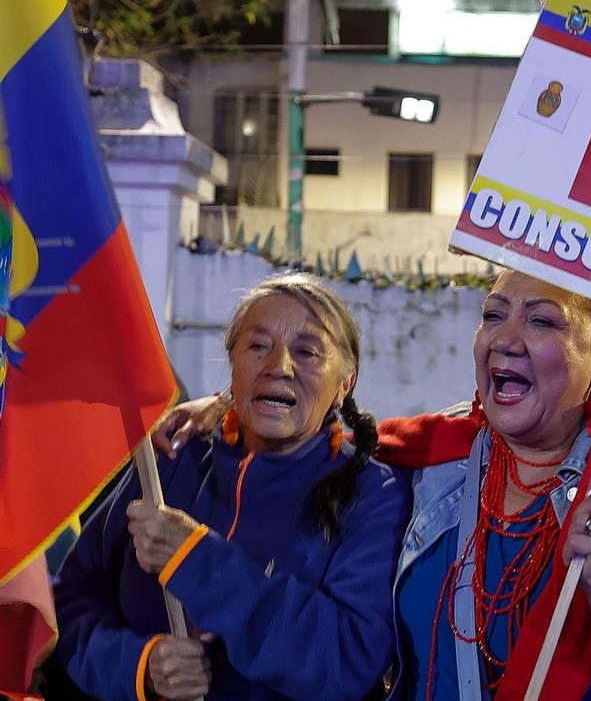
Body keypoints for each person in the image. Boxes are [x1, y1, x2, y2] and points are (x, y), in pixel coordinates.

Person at [160, 270, 591, 701]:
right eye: (493, 314)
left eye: (542, 320)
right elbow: (326, 427)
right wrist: (234, 403)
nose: (505, 337)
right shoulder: (430, 456)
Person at [52, 274, 410, 701]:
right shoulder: (172, 460)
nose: (279, 365)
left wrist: (197, 559)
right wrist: (141, 666)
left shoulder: (374, 495)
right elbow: (70, 603)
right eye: (257, 346)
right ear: (233, 365)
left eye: (307, 352)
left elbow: (346, 661)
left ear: (344, 385)